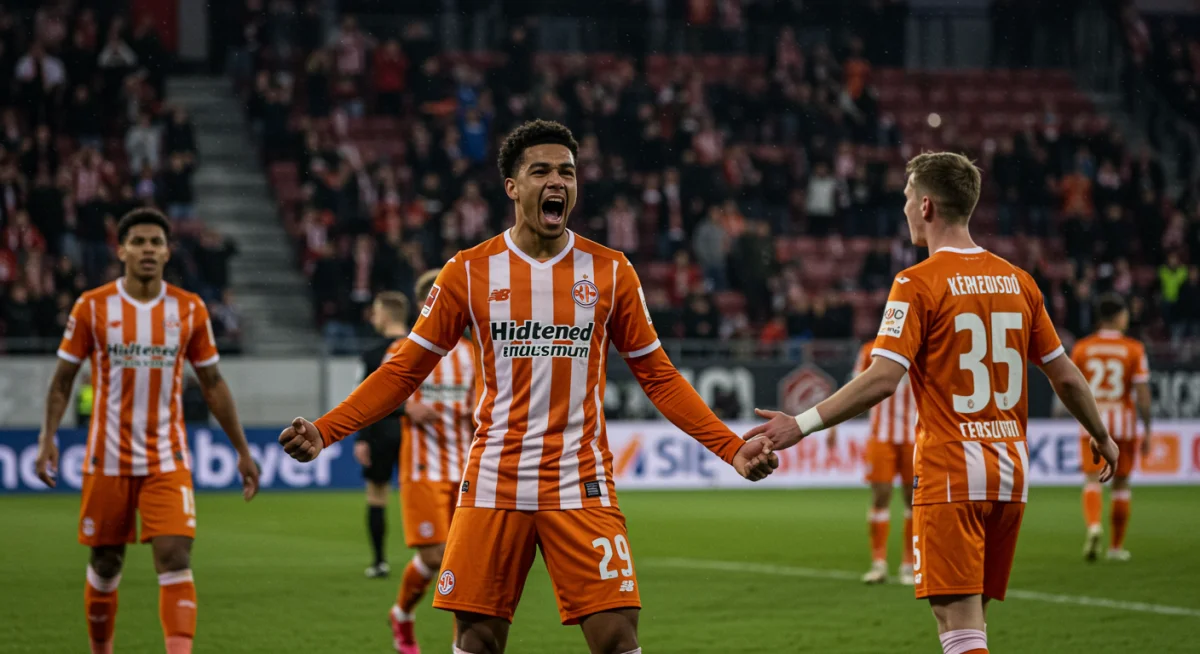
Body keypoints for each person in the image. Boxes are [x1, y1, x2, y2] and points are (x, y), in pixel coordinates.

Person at [280, 119, 778, 654]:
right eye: (541, 171)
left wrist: (731, 447)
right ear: (513, 186)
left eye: (567, 171)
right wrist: (327, 430)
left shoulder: (611, 271)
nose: (557, 181)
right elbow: (403, 372)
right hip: (496, 476)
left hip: (580, 479)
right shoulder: (468, 272)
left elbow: (658, 376)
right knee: (476, 641)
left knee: (618, 637)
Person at [745, 152, 1119, 654]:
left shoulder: (916, 283)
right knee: (973, 624)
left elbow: (882, 380)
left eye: (904, 200)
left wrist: (802, 423)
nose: (902, 210)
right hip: (1010, 469)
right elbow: (1065, 375)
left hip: (951, 469)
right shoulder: (1019, 281)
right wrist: (1101, 433)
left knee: (956, 625)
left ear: (925, 206)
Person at [34, 208, 260, 654]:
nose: (148, 250)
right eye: (138, 242)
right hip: (107, 458)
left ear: (168, 251)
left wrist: (242, 450)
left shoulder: (189, 308)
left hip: (167, 458)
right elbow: (62, 381)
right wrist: (48, 438)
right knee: (105, 560)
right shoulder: (92, 306)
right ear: (121, 250)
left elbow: (212, 384)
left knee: (175, 556)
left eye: (156, 242)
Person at [389, 269, 477, 654]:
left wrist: (477, 410)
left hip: (466, 467)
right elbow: (383, 395)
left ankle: (461, 643)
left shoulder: (475, 353)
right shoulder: (404, 348)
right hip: (422, 468)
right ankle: (402, 614)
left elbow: (487, 400)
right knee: (434, 556)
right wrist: (410, 408)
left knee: (466, 562)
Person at [1070, 293, 1152, 562]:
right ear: (1117, 317)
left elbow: (1072, 387)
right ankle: (1116, 548)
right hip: (1123, 425)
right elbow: (1142, 393)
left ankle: (1094, 525)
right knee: (1121, 485)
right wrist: (1148, 427)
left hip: (1092, 423)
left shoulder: (1082, 348)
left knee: (1092, 480)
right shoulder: (1134, 349)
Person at [826, 341, 916, 585]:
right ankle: (879, 563)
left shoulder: (922, 344)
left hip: (916, 435)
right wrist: (834, 424)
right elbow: (856, 389)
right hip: (881, 436)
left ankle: (910, 565)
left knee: (915, 500)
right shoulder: (870, 350)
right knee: (881, 495)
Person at [356, 291, 412, 579]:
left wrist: (362, 439)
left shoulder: (373, 354)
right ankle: (440, 559)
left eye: (376, 313)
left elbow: (365, 399)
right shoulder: (422, 347)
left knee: (377, 495)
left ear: (386, 315)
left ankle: (379, 562)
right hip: (415, 432)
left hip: (380, 430)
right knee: (427, 492)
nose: (373, 318)